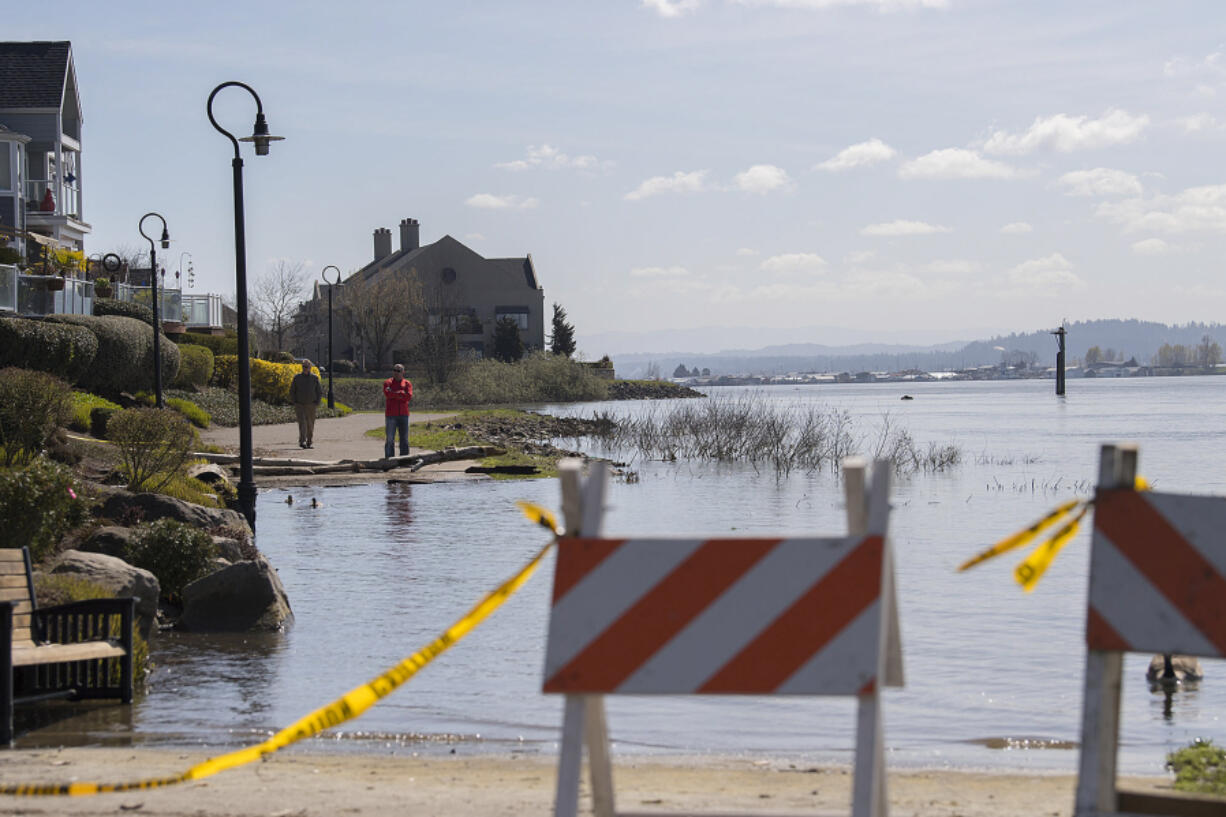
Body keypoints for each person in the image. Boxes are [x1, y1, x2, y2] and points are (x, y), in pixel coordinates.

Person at [290, 359, 323, 449]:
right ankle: (302, 441)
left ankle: (309, 441)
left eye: (306, 367)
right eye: (303, 366)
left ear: (310, 368)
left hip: (311, 405)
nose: (305, 368)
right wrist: (294, 401)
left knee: (310, 424)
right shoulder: (297, 378)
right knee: (302, 423)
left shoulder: (314, 378)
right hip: (300, 404)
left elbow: (319, 391)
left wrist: (317, 402)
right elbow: (292, 390)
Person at [383, 363, 413, 458]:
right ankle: (389, 459)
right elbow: (388, 394)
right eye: (394, 370)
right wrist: (400, 394)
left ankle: (404, 459)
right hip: (391, 415)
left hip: (404, 414)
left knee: (404, 439)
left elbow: (408, 396)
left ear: (403, 372)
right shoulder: (388, 383)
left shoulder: (407, 383)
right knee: (390, 439)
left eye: (398, 371)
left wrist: (395, 394)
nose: (396, 373)